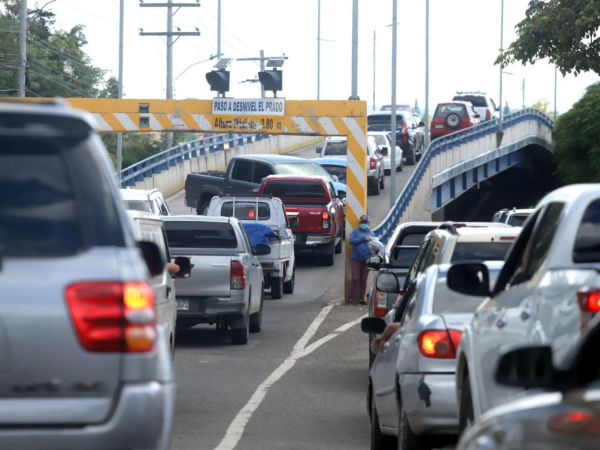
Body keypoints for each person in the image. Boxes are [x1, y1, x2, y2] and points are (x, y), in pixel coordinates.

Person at [347, 215, 382, 306]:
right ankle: (350, 298)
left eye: (365, 222)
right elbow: (351, 241)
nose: (364, 224)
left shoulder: (372, 234)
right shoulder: (355, 231)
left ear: (368, 223)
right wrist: (364, 239)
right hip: (356, 258)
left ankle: (362, 299)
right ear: (360, 223)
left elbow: (376, 248)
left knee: (363, 279)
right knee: (355, 278)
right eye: (362, 222)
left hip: (367, 259)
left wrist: (376, 249)